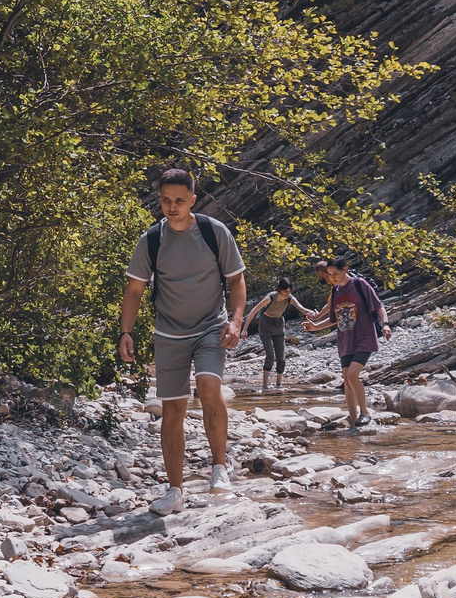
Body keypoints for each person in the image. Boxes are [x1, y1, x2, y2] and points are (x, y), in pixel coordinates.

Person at [118, 169, 246, 513]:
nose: (171, 207)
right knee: (173, 409)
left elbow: (236, 280)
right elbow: (134, 290)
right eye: (165, 200)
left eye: (178, 200)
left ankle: (219, 468)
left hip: (211, 327)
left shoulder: (213, 232)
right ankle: (174, 491)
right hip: (169, 333)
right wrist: (126, 332)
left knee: (208, 386)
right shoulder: (152, 239)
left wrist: (236, 321)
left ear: (192, 199)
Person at [304, 258, 389, 429]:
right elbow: (333, 319)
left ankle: (365, 413)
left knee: (352, 375)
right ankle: (353, 419)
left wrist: (386, 324)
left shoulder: (360, 284)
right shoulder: (335, 291)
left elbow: (379, 306)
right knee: (347, 380)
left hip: (364, 337)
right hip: (345, 340)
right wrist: (315, 327)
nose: (333, 278)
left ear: (345, 269)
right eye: (330, 275)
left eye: (335, 273)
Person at [245, 278, 315, 393]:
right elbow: (253, 311)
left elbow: (302, 309)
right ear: (279, 290)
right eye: (285, 291)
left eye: (289, 291)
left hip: (278, 326)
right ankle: (265, 386)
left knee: (281, 358)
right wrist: (244, 329)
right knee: (270, 356)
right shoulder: (270, 297)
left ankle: (278, 385)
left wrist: (311, 313)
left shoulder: (290, 299)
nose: (288, 294)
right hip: (265, 325)